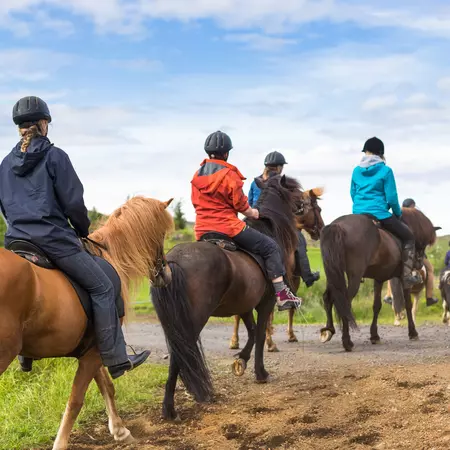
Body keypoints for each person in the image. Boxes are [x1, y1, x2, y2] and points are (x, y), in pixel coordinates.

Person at [0, 96, 150, 378]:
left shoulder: (5, 164)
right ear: (44, 124)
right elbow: (73, 204)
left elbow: (5, 208)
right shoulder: (56, 157)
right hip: (53, 241)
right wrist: (82, 231)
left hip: (16, 243)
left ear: (19, 127)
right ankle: (117, 358)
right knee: (104, 286)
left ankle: (25, 356)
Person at [191, 131, 302, 310]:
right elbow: (240, 203)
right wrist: (253, 213)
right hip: (228, 228)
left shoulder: (197, 176)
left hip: (202, 229)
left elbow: (195, 202)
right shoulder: (229, 174)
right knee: (270, 247)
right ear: (226, 153)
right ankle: (282, 295)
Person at [350, 137, 421, 288]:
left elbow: (353, 193)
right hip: (380, 213)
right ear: (380, 153)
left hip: (358, 214)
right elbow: (392, 198)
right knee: (409, 237)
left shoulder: (356, 171)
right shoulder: (386, 170)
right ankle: (407, 276)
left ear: (366, 152)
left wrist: (360, 208)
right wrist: (397, 213)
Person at [248, 151, 320, 287]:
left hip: (255, 220)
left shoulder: (255, 182)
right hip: (275, 223)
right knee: (300, 241)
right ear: (280, 167)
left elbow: (250, 202)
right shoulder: (281, 182)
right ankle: (308, 276)